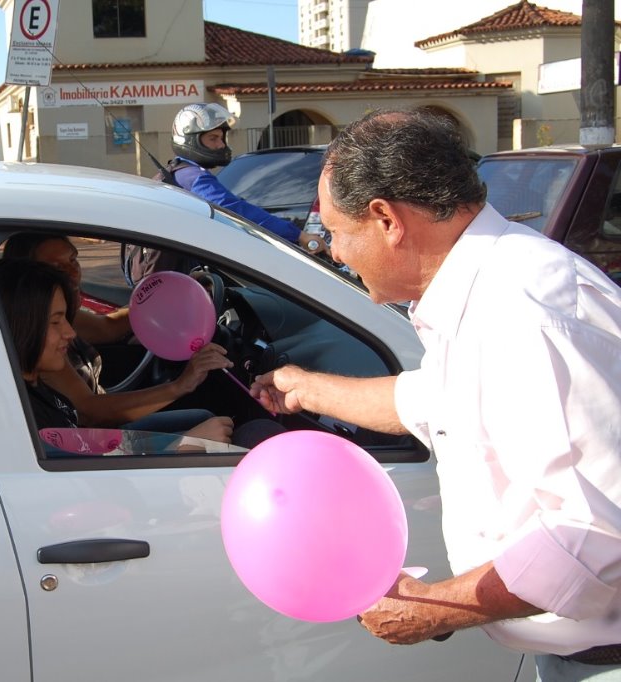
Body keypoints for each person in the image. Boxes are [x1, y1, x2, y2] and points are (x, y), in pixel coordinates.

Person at [250, 109, 621, 679]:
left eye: (333, 232)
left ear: (385, 219)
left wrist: (434, 606)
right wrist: (309, 388)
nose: (333, 253)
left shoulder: (527, 315)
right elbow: (435, 403)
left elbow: (599, 538)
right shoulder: (483, 293)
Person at [0, 258, 236, 447]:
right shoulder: (26, 415)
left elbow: (87, 441)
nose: (70, 333)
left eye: (73, 259)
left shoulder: (32, 385)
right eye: (55, 322)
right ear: (20, 323)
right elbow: (87, 471)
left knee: (206, 419)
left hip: (93, 444)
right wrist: (183, 445)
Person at [123, 102, 326, 285]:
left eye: (221, 138)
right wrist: (298, 235)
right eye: (213, 138)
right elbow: (237, 212)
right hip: (177, 282)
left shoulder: (174, 172)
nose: (221, 145)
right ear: (191, 140)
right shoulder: (194, 177)